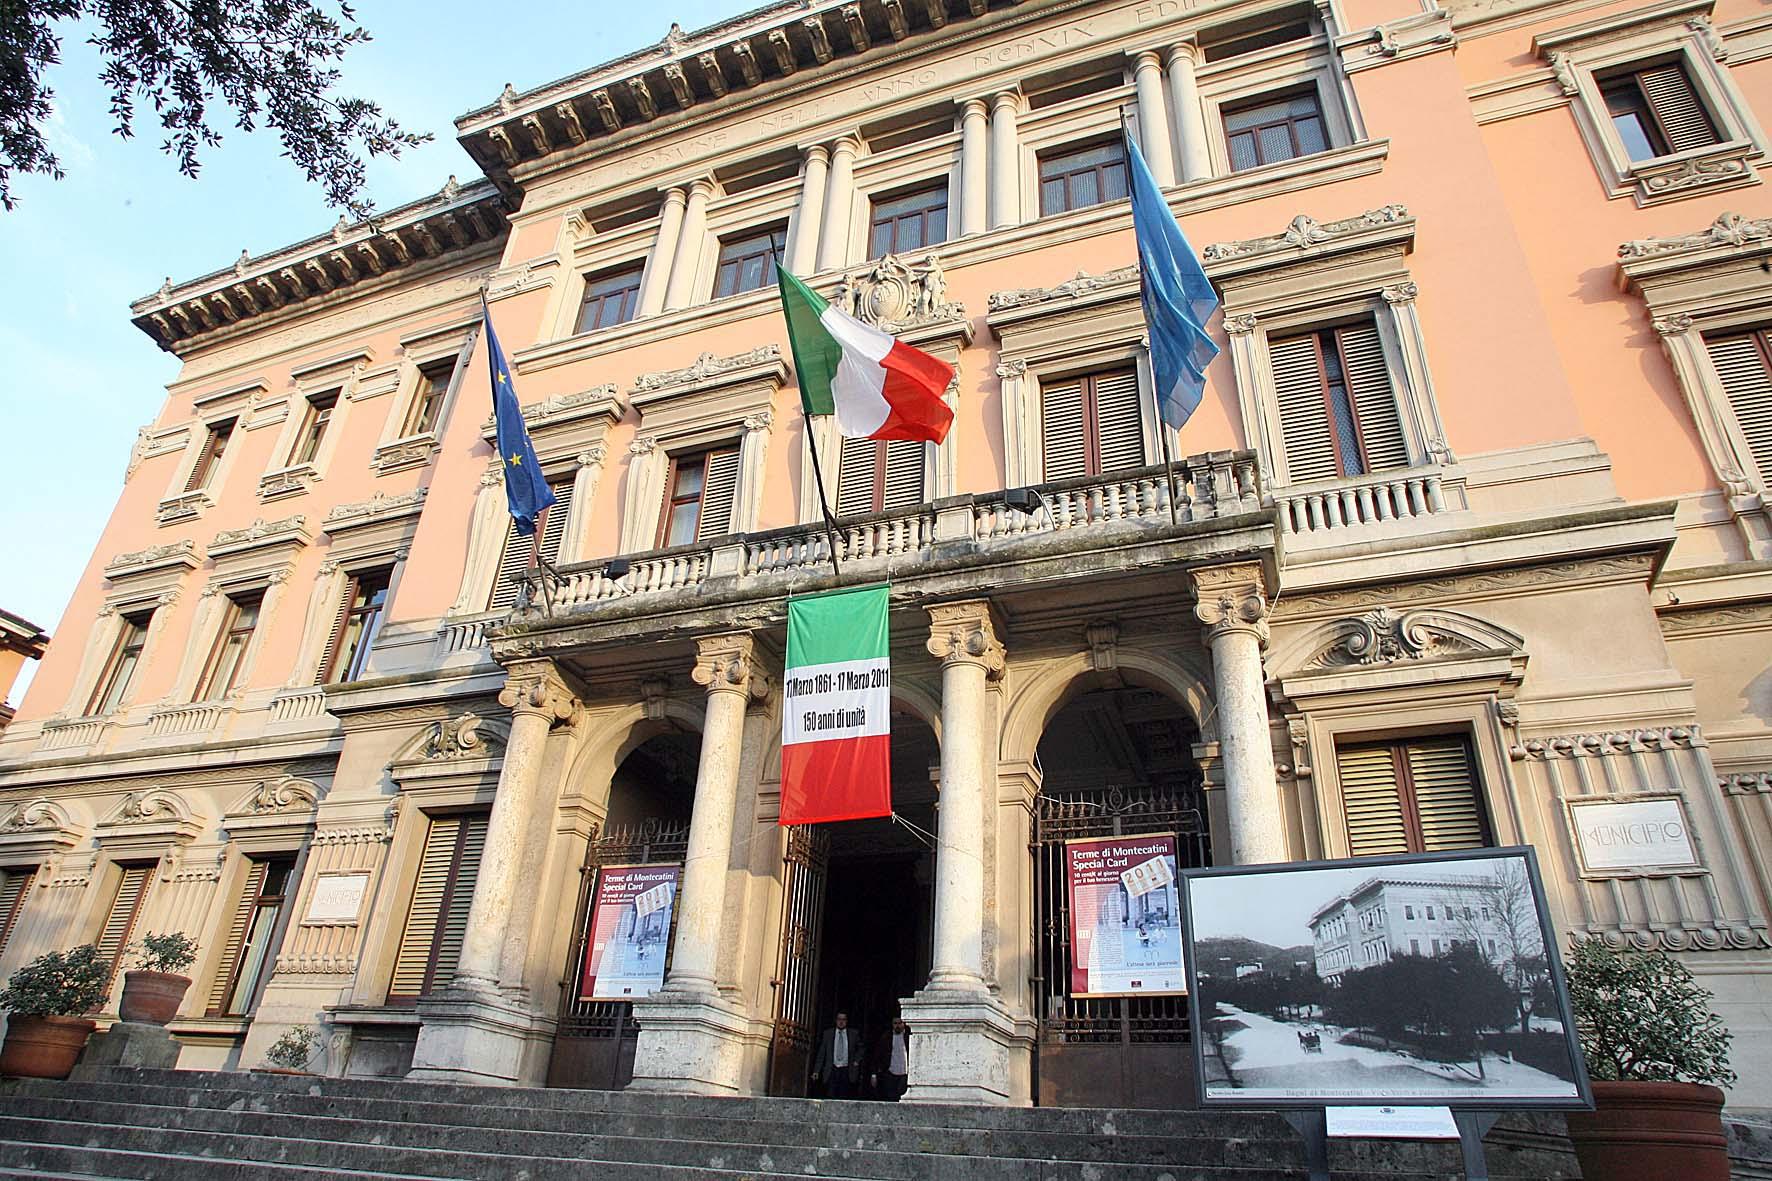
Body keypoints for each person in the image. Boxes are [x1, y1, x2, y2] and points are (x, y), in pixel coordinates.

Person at [812, 1011, 864, 1099]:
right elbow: (822, 1053)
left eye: (843, 1019)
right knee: (830, 1095)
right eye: (839, 1019)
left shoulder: (853, 1034)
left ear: (846, 1021)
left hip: (846, 1070)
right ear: (836, 1020)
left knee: (844, 1095)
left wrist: (856, 1060)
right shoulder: (828, 1034)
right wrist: (816, 1071)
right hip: (832, 1069)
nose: (841, 1022)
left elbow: (861, 1048)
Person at [871, 1016, 910, 1101]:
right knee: (891, 1097)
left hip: (905, 1073)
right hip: (890, 1072)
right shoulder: (886, 1037)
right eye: (895, 1023)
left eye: (900, 1023)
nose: (898, 1026)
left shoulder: (909, 1037)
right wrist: (874, 1074)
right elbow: (877, 1056)